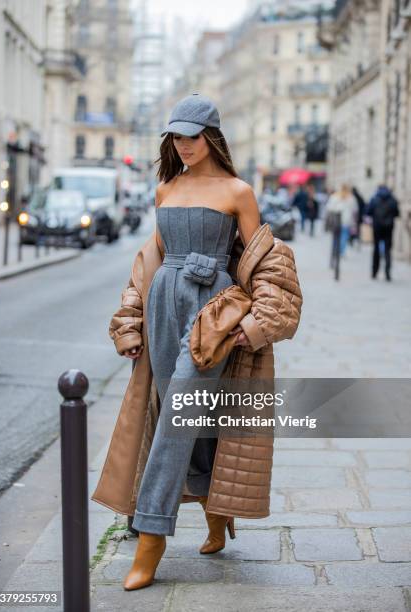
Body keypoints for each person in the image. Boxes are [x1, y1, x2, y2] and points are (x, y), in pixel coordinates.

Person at [91, 93, 303, 591]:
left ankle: (150, 538)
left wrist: (257, 320)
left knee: (177, 416)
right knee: (183, 414)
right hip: (164, 305)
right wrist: (130, 318)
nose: (183, 145)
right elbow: (149, 260)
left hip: (213, 313)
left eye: (191, 136)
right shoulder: (165, 190)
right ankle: (214, 513)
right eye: (176, 137)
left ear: (211, 137)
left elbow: (259, 261)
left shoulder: (239, 191)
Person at [367, 184, 400, 281]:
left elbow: (368, 211)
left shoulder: (374, 199)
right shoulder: (392, 199)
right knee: (387, 250)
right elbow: (397, 213)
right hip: (388, 227)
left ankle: (374, 272)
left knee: (376, 249)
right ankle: (387, 273)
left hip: (377, 227)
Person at [325, 183, 358, 256]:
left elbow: (329, 207)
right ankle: (341, 251)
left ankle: (335, 250)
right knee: (344, 236)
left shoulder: (334, 196)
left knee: (336, 236)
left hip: (336, 220)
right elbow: (355, 209)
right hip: (347, 220)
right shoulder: (351, 198)